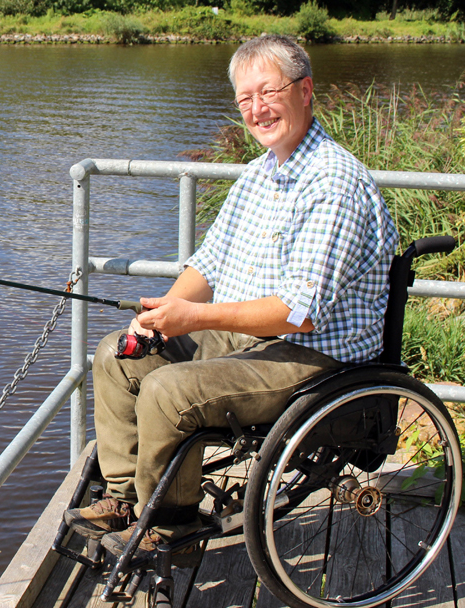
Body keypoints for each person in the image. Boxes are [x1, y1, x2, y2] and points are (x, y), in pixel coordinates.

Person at [64, 34, 400, 560]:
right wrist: (155, 320)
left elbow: (299, 312)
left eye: (268, 92)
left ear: (305, 90)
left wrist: (193, 317)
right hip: (250, 338)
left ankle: (170, 528)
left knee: (168, 390)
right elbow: (208, 264)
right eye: (245, 99)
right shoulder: (260, 174)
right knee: (117, 356)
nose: (256, 109)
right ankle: (126, 499)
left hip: (316, 356)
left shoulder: (332, 182)